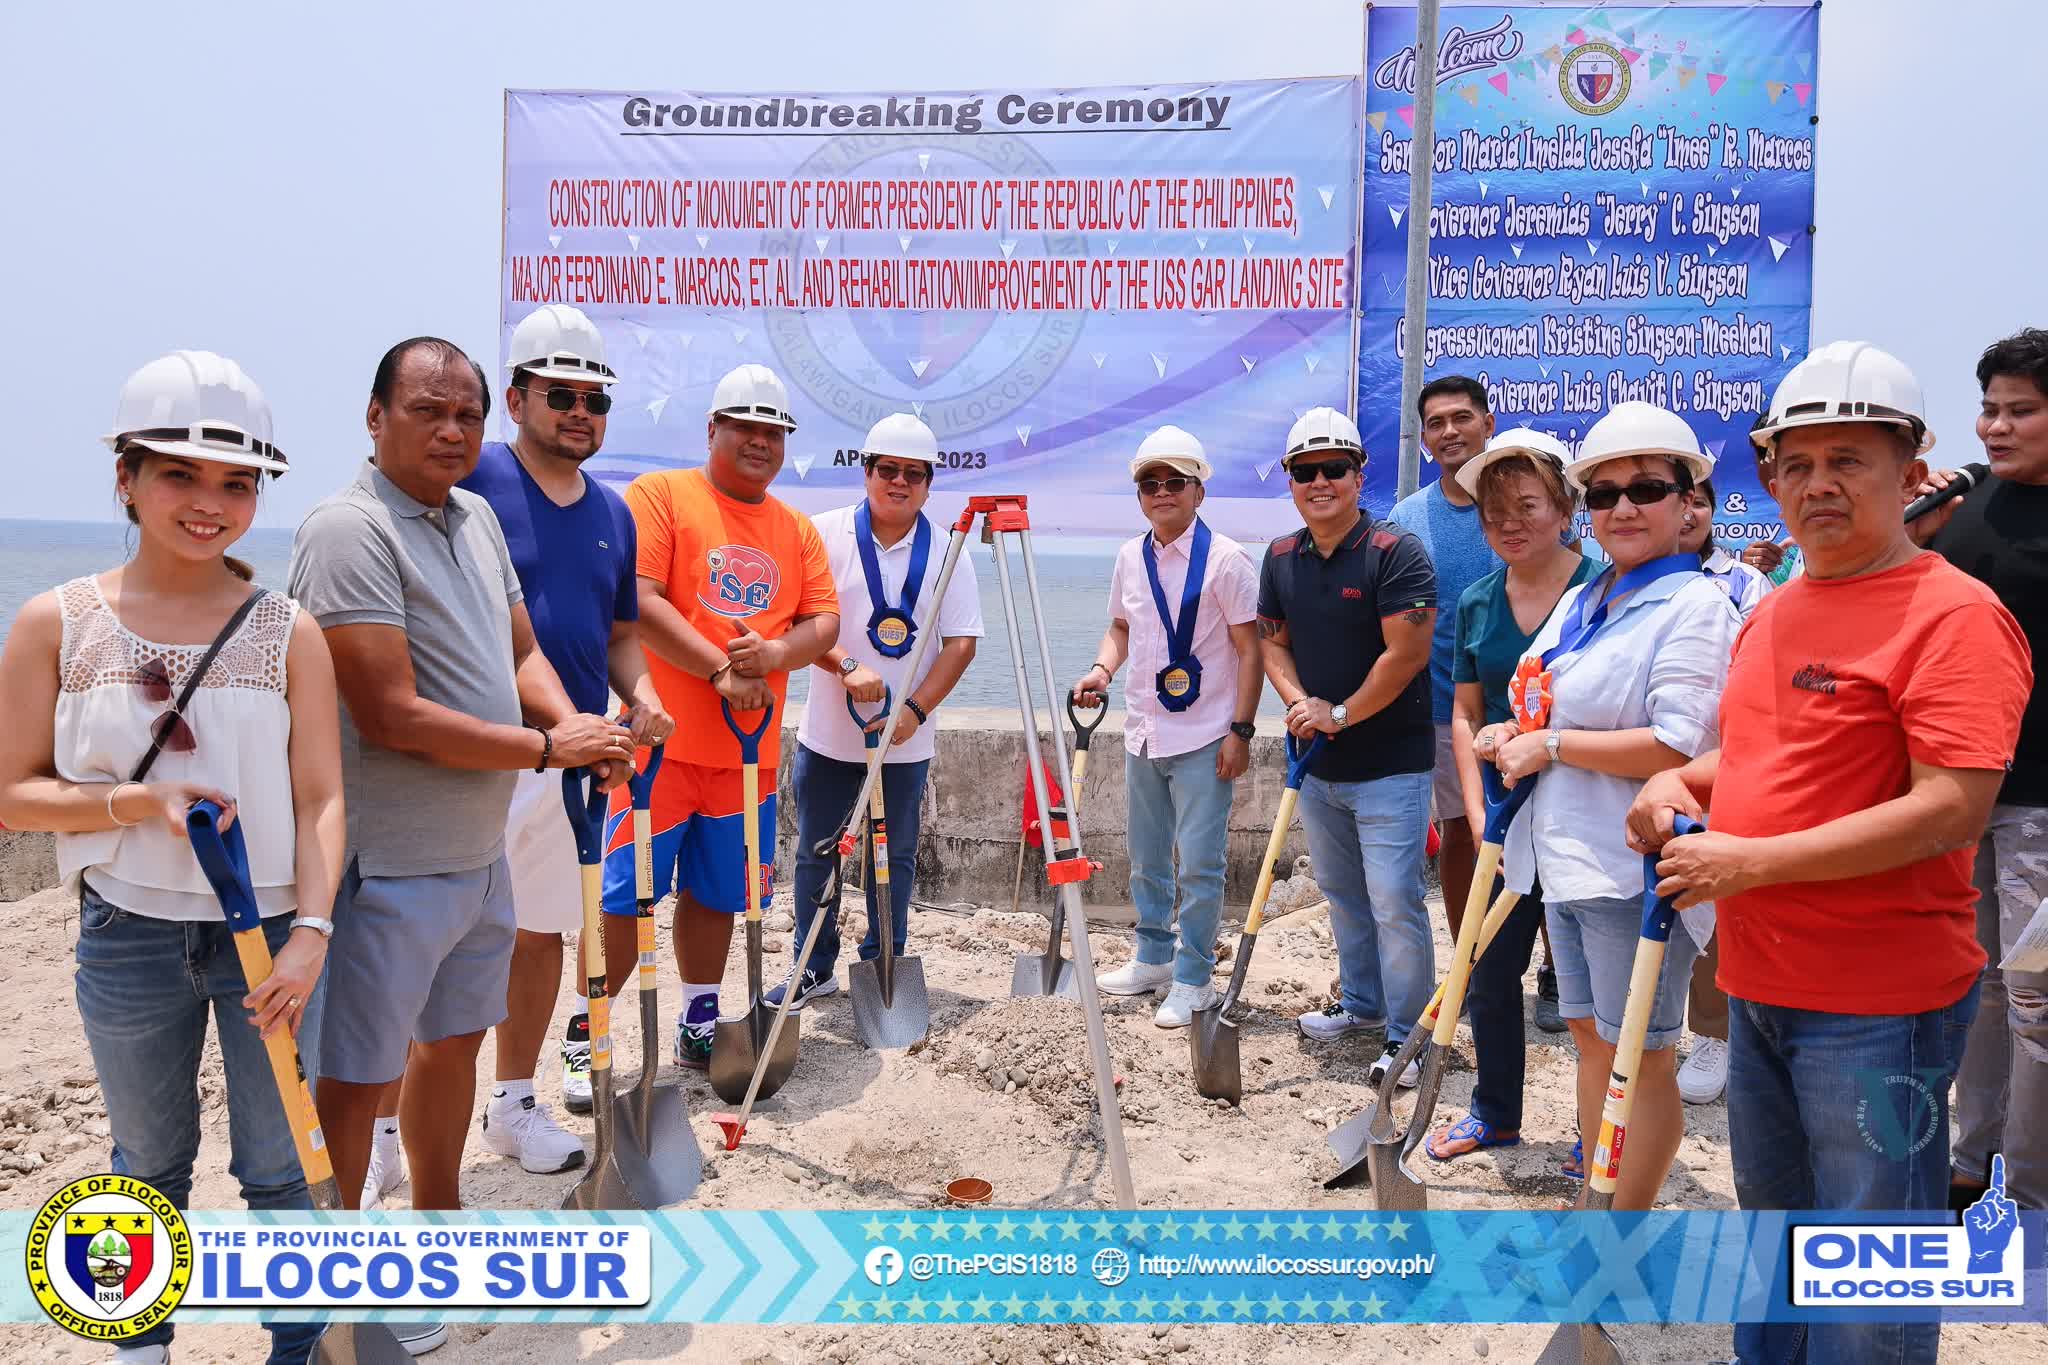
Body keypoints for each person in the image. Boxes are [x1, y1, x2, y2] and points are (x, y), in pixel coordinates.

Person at [1629, 341, 2030, 1364]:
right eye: (1794, 463)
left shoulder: (1953, 618)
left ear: (1908, 471)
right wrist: (1684, 782)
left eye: (1846, 460)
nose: (1815, 485)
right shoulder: (1780, 607)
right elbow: (1762, 755)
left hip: (1875, 1005)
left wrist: (1746, 865)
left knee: (1865, 1270)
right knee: (1775, 1231)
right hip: (1760, 981)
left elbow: (1949, 809)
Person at [0, 353, 340, 1365]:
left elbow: (323, 798)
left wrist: (312, 935)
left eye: (237, 482)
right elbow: (12, 793)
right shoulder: (55, 622)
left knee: (280, 1169)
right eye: (179, 476)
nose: (210, 503)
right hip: (126, 931)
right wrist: (136, 801)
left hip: (272, 936)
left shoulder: (291, 631)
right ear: (126, 478)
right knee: (146, 1164)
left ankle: (296, 1348)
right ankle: (140, 1347)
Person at [287, 340, 631, 1263]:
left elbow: (523, 652)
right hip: (386, 863)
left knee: (453, 1047)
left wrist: (579, 727)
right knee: (359, 1079)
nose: (451, 430)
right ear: (374, 416)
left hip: (480, 857)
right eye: (426, 410)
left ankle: (437, 1229)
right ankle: (340, 1274)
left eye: (466, 415)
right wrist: (547, 745)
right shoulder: (346, 531)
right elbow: (388, 713)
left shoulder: (474, 517)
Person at [1491, 401, 1738, 1203]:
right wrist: (1515, 729)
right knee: (1594, 1043)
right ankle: (1600, 1205)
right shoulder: (1589, 595)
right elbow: (1545, 692)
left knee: (1644, 1055)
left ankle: (1622, 1230)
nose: (1623, 507)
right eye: (1604, 494)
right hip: (1563, 856)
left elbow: (1680, 746)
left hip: (1633, 868)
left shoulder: (1696, 605)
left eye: (1646, 488)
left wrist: (1553, 745)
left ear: (1686, 501)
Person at [451, 304, 672, 1180]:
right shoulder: (474, 478)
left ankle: (510, 1103)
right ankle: (387, 1131)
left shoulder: (614, 512)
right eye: (561, 394)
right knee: (434, 935)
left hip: (570, 757)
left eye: (595, 398)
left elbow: (620, 633)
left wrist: (643, 694)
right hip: (474, 747)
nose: (580, 411)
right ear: (516, 397)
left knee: (540, 934)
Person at [598, 364, 838, 1069]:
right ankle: (590, 1030)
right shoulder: (663, 497)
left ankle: (699, 1018)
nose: (761, 442)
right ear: (713, 429)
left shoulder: (795, 529)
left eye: (774, 432)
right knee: (624, 896)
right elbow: (639, 600)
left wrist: (774, 652)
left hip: (747, 758)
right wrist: (720, 668)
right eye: (746, 428)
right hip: (658, 746)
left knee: (717, 893)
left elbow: (822, 621)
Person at [1422, 429, 1598, 1161]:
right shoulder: (1476, 601)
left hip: (1584, 809)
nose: (1510, 522)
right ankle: (1495, 1110)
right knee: (1490, 967)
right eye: (1494, 511)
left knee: (1591, 986)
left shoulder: (1604, 587)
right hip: (1500, 814)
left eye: (1527, 504)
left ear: (1563, 505)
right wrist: (1473, 800)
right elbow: (1466, 711)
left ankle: (1600, 1131)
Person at [1257, 407, 1436, 1089]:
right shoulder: (1279, 557)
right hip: (1319, 765)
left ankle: (1408, 1035)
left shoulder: (1394, 553)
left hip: (1390, 764)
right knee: (1341, 893)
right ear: (1292, 482)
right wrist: (1300, 703)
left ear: (1360, 475)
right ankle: (1362, 1005)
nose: (1321, 481)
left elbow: (1407, 652)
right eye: (1306, 471)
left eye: (1335, 468)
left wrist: (1341, 712)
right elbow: (1272, 641)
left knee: (1395, 900)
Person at [779, 413, 980, 1007]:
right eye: (887, 470)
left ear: (928, 483)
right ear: (865, 472)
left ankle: (883, 958)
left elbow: (962, 642)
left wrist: (915, 709)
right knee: (818, 851)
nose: (899, 483)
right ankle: (812, 965)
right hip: (829, 737)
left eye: (913, 474)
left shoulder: (950, 551)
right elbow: (800, 621)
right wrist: (844, 666)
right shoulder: (822, 533)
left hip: (906, 742)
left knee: (895, 858)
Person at [1071, 426, 1261, 1026]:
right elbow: (1122, 629)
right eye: (1149, 484)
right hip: (1143, 730)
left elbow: (1250, 651)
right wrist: (1102, 669)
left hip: (1205, 735)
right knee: (1147, 856)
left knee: (1201, 864)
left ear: (1198, 490)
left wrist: (1242, 730)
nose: (1161, 493)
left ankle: (1195, 976)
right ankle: (1152, 957)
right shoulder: (1130, 556)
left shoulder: (1228, 560)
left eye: (1174, 482)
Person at [1920, 327, 2048, 1213]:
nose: (1996, 427)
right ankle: (1971, 1164)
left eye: (2021, 410)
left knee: (2039, 1000)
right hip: (1964, 792)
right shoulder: (1964, 507)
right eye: (1990, 408)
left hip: (2044, 803)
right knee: (1977, 985)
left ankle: (2034, 1193)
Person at [1385, 376, 1501, 952]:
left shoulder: (1518, 509)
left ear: (1489, 424)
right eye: (1436, 423)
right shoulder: (1406, 517)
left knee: (1545, 837)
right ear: (1425, 438)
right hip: (1437, 707)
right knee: (1460, 831)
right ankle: (1469, 960)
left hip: (1528, 704)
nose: (1449, 431)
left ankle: (1556, 970)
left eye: (1461, 418)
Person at [1672, 476, 1767, 1108]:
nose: (1688, 513)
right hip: (1640, 768)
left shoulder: (1745, 586)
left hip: (1721, 762)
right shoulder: (1613, 584)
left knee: (1720, 899)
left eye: (1700, 502)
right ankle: (1676, 1032)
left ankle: (1720, 1034)